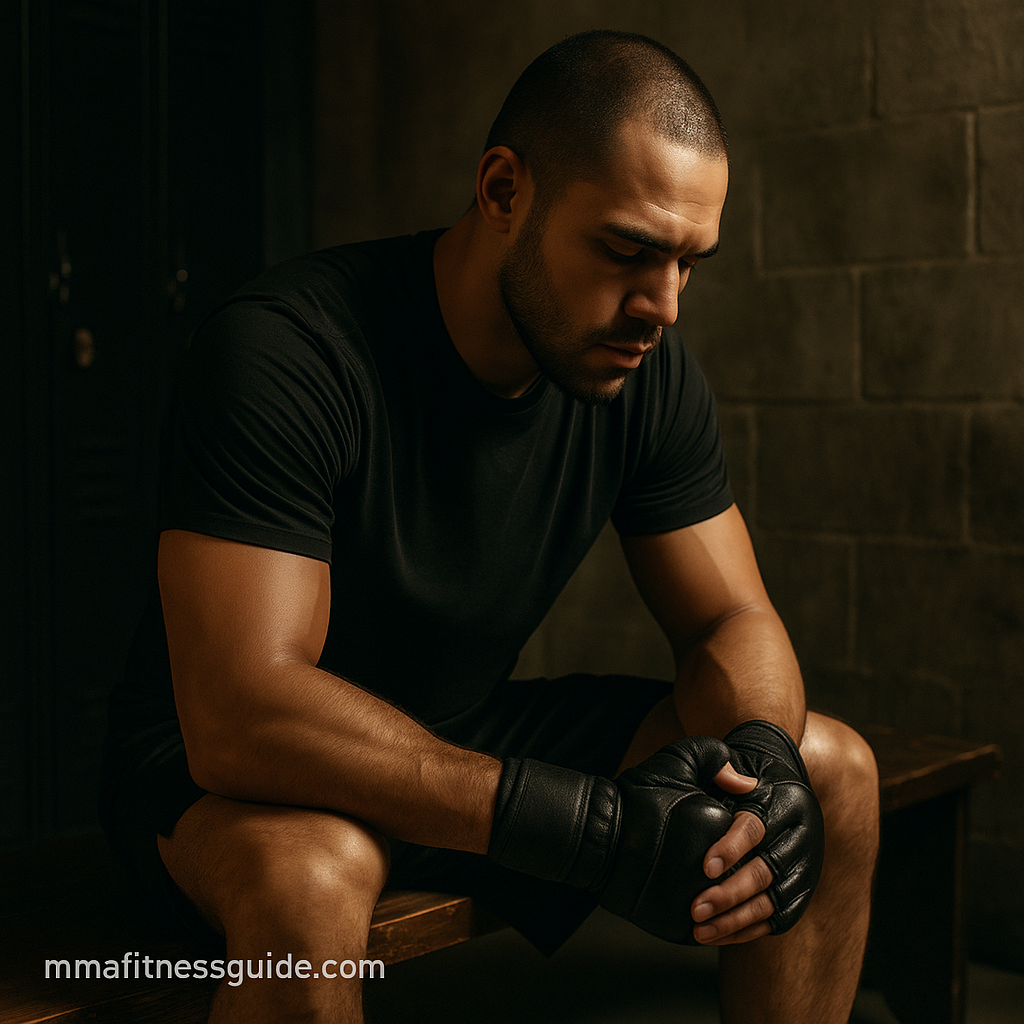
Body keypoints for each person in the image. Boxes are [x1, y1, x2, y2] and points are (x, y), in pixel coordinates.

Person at [101, 29, 879, 1024]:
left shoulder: (644, 367)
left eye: (690, 263)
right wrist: (586, 829)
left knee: (832, 774)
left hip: (457, 729)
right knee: (313, 874)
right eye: (628, 251)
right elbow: (244, 711)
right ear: (503, 190)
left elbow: (731, 617)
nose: (663, 306)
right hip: (228, 763)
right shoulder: (286, 350)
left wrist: (762, 759)